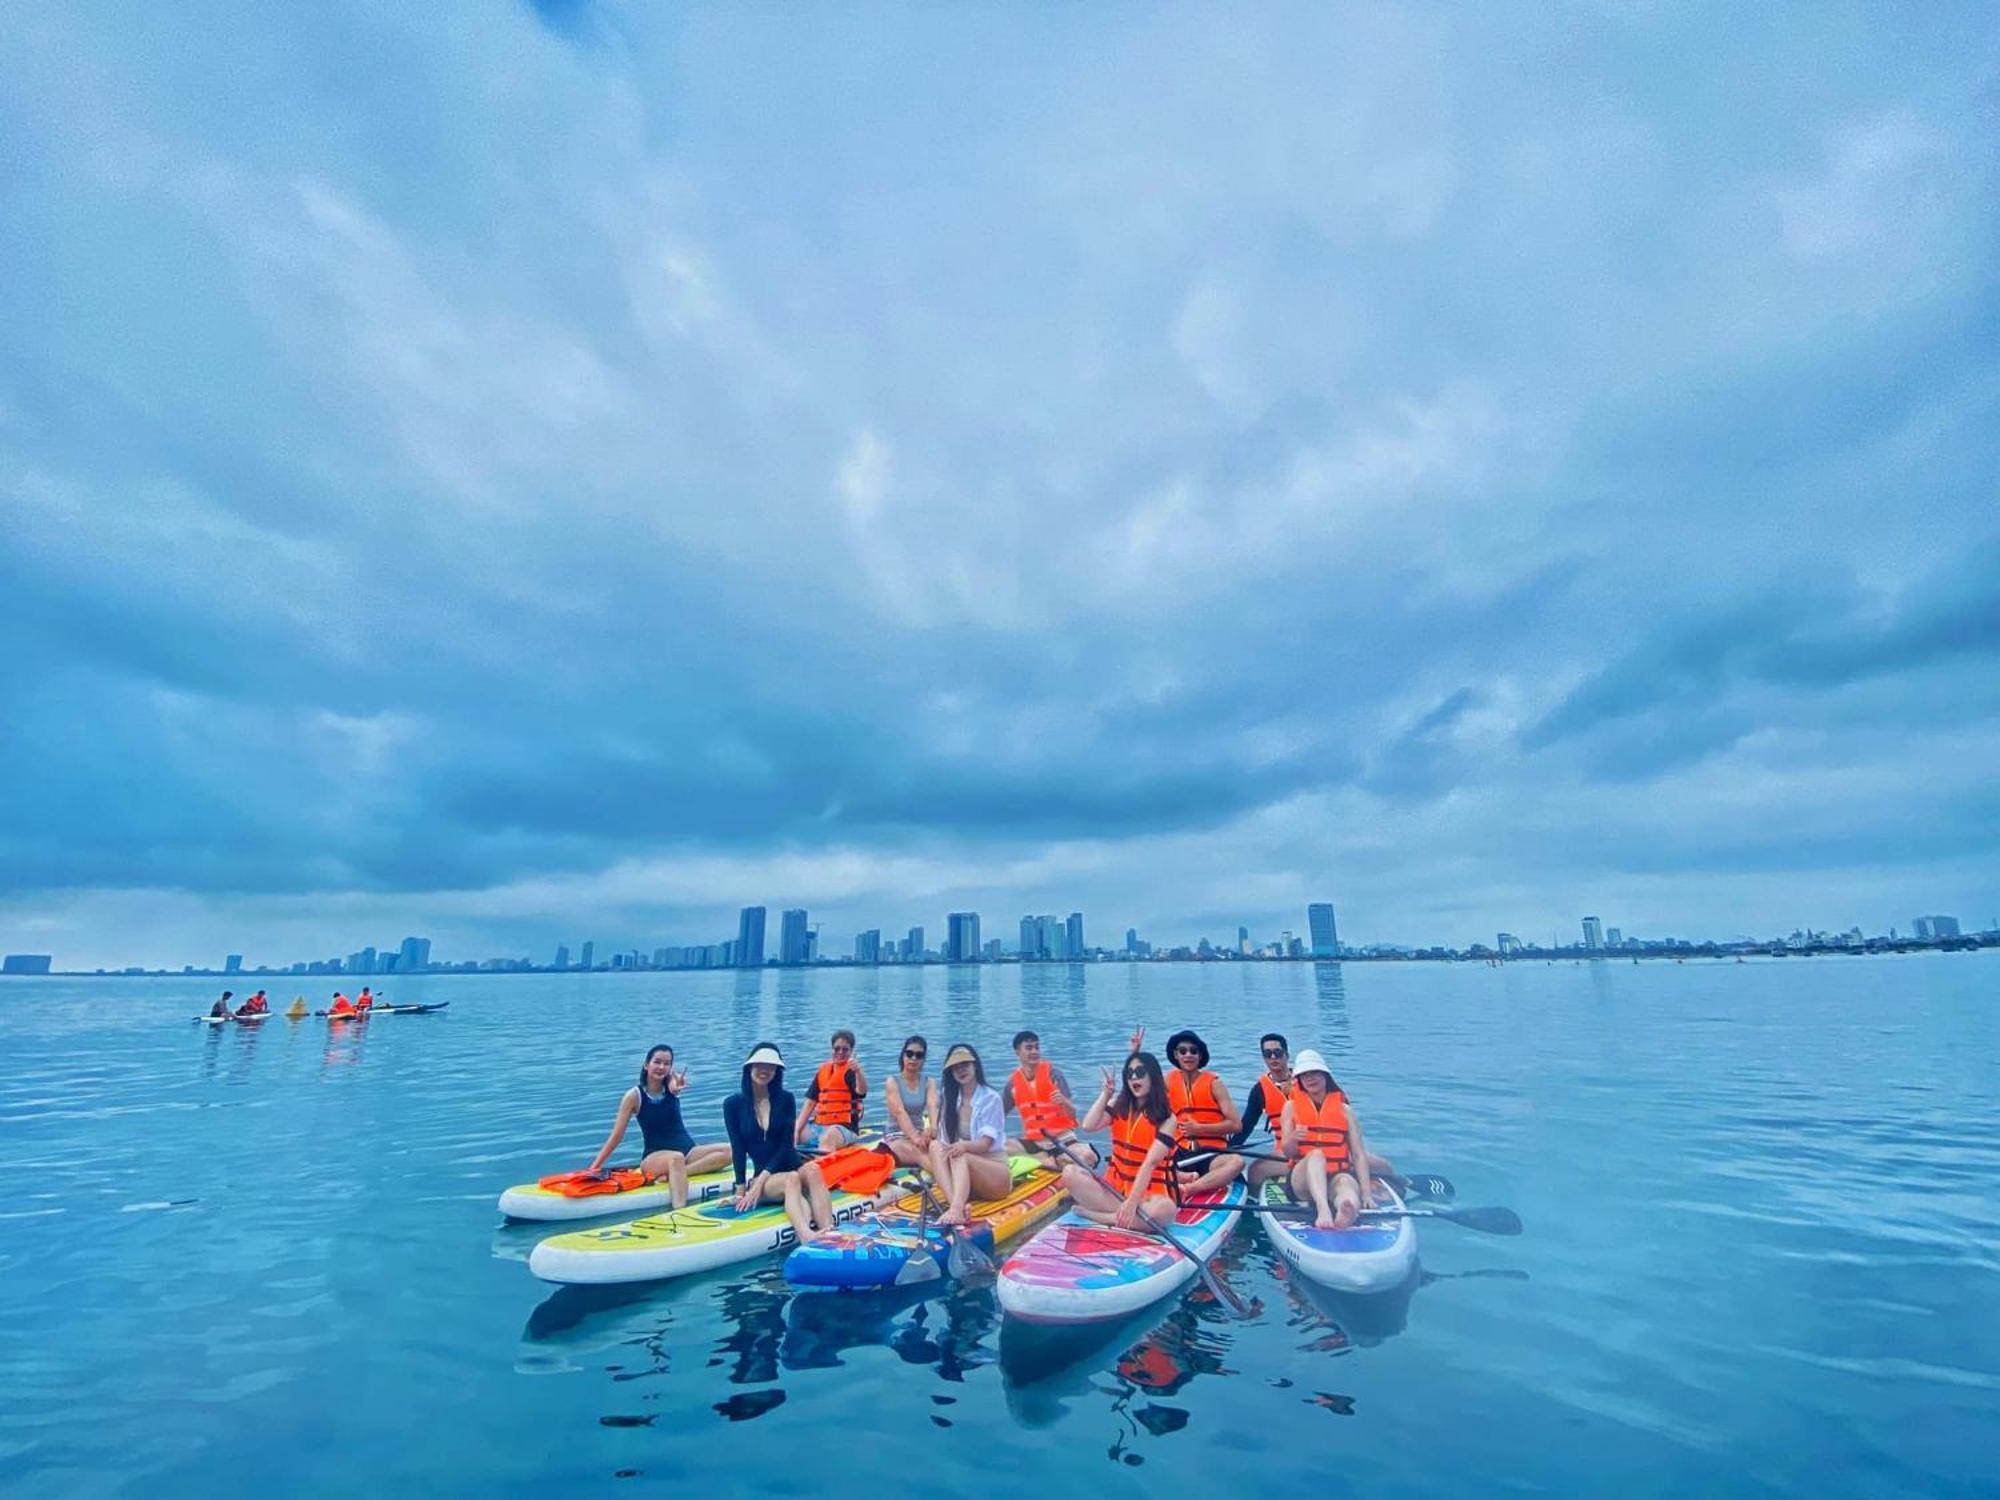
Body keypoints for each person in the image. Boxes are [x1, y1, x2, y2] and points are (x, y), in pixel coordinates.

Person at [582, 1045, 733, 1208]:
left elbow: (674, 1087)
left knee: (733, 1150)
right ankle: (679, 1210)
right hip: (654, 1158)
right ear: (646, 1065)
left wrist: (675, 1088)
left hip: (688, 1152)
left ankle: (678, 1173)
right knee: (675, 1158)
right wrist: (594, 1167)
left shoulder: (672, 1087)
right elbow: (617, 1136)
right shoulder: (634, 1096)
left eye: (667, 1063)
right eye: (657, 1062)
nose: (661, 1067)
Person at [1237, 1033, 1394, 1187]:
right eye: (1267, 1054)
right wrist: (1229, 1148)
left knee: (1384, 1166)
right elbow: (1247, 1126)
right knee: (1255, 1171)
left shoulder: (1313, 1082)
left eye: (1277, 1053)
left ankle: (1387, 1185)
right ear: (1263, 1058)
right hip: (1292, 1153)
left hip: (1334, 1152)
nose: (1273, 1058)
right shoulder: (1260, 1091)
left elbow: (1343, 1121)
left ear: (1286, 1054)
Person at [723, 1043, 835, 1244]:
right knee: (791, 1179)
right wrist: (741, 1189)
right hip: (771, 1180)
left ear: (777, 1071)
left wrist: (761, 1179)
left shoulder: (785, 1099)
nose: (764, 1071)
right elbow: (737, 1148)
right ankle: (806, 1235)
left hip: (786, 1166)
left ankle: (829, 1231)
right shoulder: (732, 1104)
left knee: (813, 1170)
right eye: (760, 1065)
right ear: (749, 1067)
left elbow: (786, 1145)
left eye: (771, 1067)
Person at [1063, 1050, 1182, 1231]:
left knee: (1165, 1210)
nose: (1134, 1077)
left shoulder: (1167, 1118)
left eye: (1140, 1072)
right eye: (1129, 1074)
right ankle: (1129, 1219)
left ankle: (1097, 1216)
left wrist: (1133, 1202)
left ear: (1153, 1076)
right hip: (1115, 1191)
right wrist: (1106, 1095)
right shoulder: (1118, 1106)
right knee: (1069, 1172)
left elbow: (1150, 1163)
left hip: (1147, 1198)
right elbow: (1088, 1125)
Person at [1279, 1049, 1379, 1230]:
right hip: (1302, 1180)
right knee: (1316, 1155)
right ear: (1299, 1080)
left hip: (1335, 1175)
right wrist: (1292, 1139)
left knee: (1346, 1183)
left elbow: (1358, 1155)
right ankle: (1323, 1209)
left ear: (1325, 1075)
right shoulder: (1291, 1107)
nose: (1310, 1078)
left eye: (1314, 1073)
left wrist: (1366, 1193)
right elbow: (1287, 1152)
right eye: (1305, 1075)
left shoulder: (1345, 1111)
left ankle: (1346, 1207)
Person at [928, 1044, 1010, 1226]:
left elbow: (986, 1144)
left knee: (959, 1152)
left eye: (964, 1064)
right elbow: (943, 1141)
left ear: (975, 1065)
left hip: (994, 1175)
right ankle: (955, 1205)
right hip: (965, 1178)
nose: (961, 1070)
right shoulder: (949, 1097)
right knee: (935, 1146)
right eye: (955, 1067)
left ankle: (956, 1209)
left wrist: (963, 1146)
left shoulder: (990, 1098)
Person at [1161, 1029, 1243, 1194]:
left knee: (1237, 1162)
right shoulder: (1167, 1081)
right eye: (1183, 1051)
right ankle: (1183, 1177)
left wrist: (1199, 1129)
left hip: (1210, 1153)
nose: (1188, 1055)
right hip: (1179, 1151)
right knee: (1146, 1161)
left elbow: (1236, 1125)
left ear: (1200, 1055)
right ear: (1176, 1055)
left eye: (1194, 1051)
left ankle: (1189, 1188)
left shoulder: (1214, 1083)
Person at [1001, 1029, 1095, 1166]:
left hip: (1063, 1139)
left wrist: (1064, 1102)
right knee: (1000, 1147)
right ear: (1017, 1052)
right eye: (1029, 1048)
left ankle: (1047, 1161)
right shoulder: (1012, 1085)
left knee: (1088, 1156)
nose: (1034, 1051)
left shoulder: (1054, 1075)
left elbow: (1072, 1114)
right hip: (1034, 1143)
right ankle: (1045, 1160)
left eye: (1037, 1047)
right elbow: (998, 1115)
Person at [795, 1029, 868, 1152]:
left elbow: (861, 1091)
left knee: (828, 1137)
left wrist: (859, 1071)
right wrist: (796, 1130)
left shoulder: (852, 1071)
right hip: (819, 1127)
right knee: (789, 1131)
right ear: (832, 1049)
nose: (840, 1052)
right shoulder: (823, 1070)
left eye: (845, 1049)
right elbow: (809, 1104)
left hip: (844, 1128)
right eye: (836, 1048)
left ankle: (825, 1165)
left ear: (851, 1051)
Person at [881, 1034, 938, 1170]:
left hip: (919, 1132)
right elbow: (900, 1112)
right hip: (896, 1137)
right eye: (909, 1053)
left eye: (919, 1055)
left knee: (941, 1150)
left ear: (923, 1060)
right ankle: (951, 1186)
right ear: (903, 1055)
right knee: (919, 1153)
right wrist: (915, 1138)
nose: (913, 1058)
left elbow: (933, 1106)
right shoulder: (892, 1082)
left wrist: (933, 1129)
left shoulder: (929, 1082)